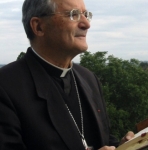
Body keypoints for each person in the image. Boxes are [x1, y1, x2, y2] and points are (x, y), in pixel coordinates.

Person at [0, 0, 134, 149]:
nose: (86, 24)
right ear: (38, 26)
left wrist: (124, 146)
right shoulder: (5, 87)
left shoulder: (89, 79)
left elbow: (105, 140)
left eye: (86, 14)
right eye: (73, 14)